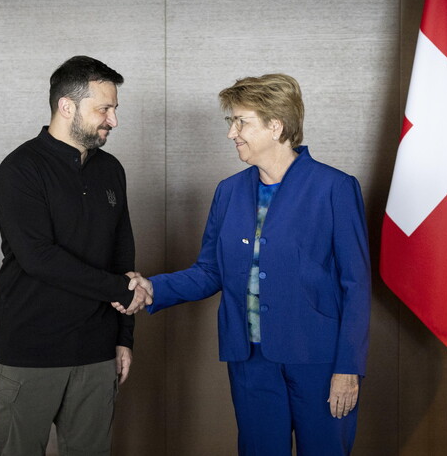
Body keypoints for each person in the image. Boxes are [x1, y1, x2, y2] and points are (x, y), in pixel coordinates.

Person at [115, 73, 371, 455]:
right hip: (249, 360)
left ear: (276, 126)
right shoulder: (229, 191)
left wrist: (348, 368)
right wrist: (155, 288)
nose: (232, 132)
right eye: (230, 122)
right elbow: (210, 271)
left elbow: (356, 284)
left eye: (241, 122)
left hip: (319, 362)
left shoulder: (335, 188)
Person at [0, 55, 151, 456]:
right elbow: (39, 257)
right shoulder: (20, 169)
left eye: (113, 109)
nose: (112, 120)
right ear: (66, 106)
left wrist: (123, 338)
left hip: (97, 356)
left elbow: (122, 255)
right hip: (30, 355)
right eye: (104, 109)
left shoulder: (111, 169)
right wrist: (121, 289)